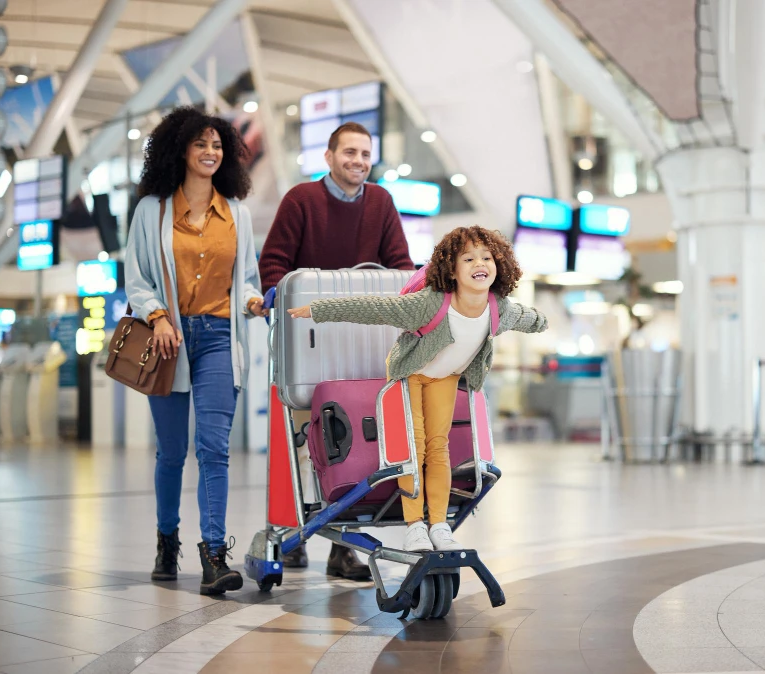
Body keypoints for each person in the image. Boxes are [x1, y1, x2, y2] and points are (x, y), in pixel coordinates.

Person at [289, 226, 548, 551]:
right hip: (410, 374)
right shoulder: (430, 304)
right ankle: (414, 527)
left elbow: (527, 317)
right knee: (413, 447)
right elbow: (374, 309)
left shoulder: (499, 309)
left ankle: (438, 524)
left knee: (438, 448)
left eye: (486, 257)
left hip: (445, 377)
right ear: (451, 269)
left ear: (499, 265)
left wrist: (543, 322)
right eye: (468, 258)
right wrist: (318, 310)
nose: (479, 263)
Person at [259, 121, 413, 578]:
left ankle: (339, 544)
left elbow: (400, 266)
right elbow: (273, 265)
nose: (359, 162)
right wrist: (273, 294)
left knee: (348, 442)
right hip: (306, 341)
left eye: (365, 154)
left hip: (360, 341)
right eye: (349, 153)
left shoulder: (381, 202)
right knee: (301, 442)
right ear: (329, 157)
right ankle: (289, 529)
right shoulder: (301, 201)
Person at [125, 107, 266, 596]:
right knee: (171, 452)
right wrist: (157, 316)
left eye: (217, 145)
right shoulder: (152, 210)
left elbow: (247, 277)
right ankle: (168, 541)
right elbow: (137, 279)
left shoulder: (238, 214)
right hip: (168, 340)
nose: (210, 152)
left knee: (214, 449)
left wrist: (253, 299)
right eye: (201, 144)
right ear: (180, 150)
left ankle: (213, 556)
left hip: (220, 339)